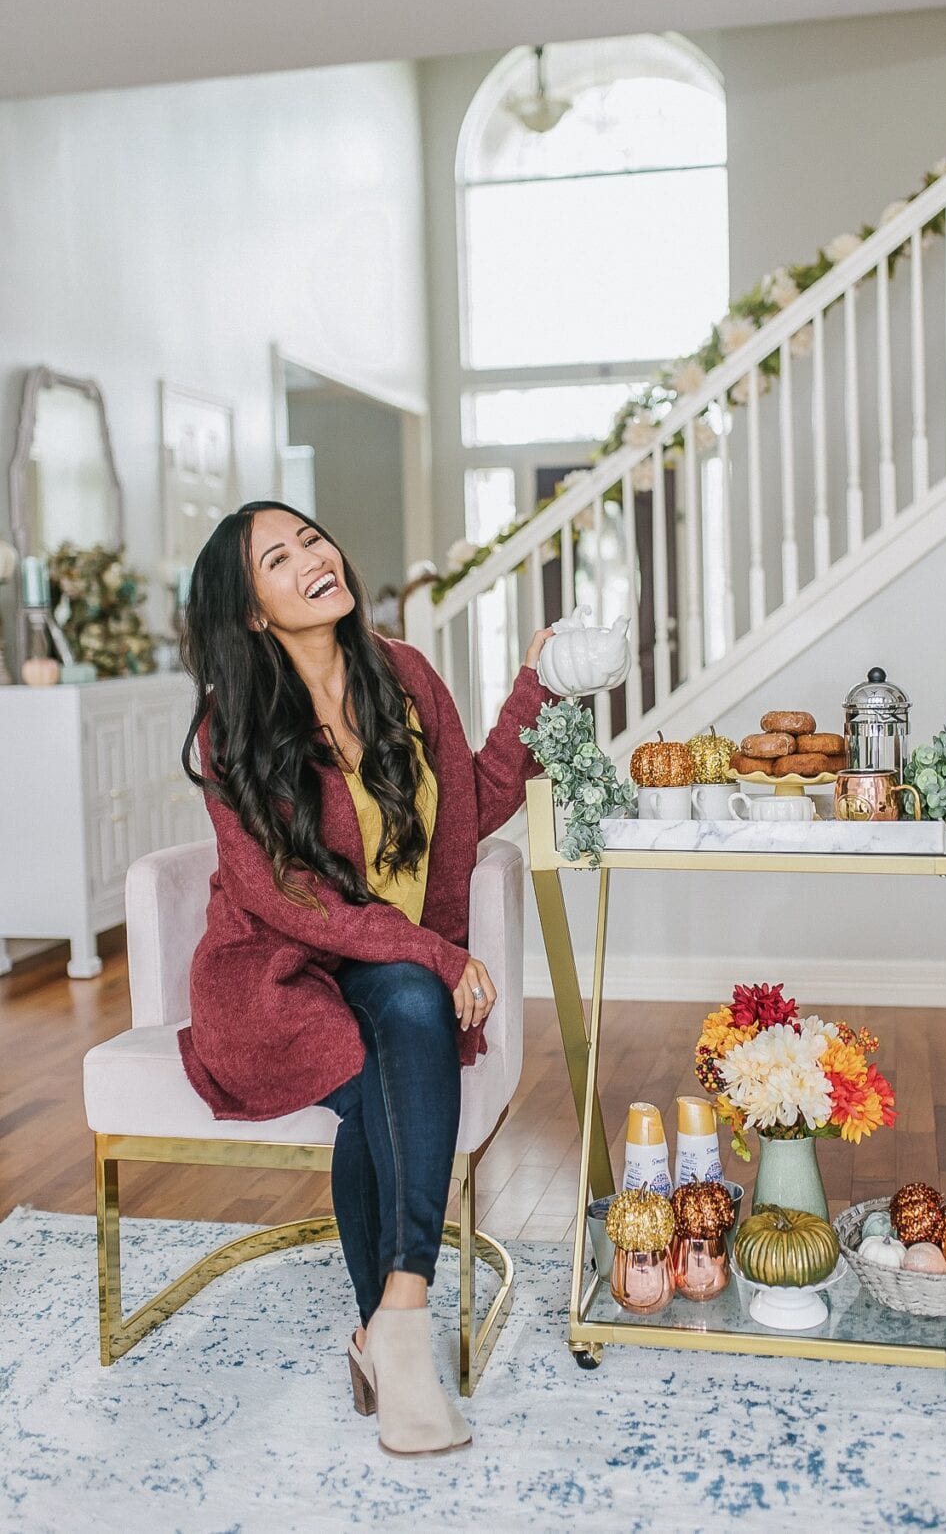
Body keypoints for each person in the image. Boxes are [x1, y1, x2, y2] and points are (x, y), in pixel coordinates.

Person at [179, 500, 555, 1457]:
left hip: (387, 971)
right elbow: (284, 897)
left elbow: (473, 803)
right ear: (254, 610)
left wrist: (538, 688)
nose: (314, 554)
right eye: (280, 555)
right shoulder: (239, 726)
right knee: (405, 1034)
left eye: (312, 536)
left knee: (405, 1017)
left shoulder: (403, 673)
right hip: (278, 975)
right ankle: (397, 1339)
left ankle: (394, 1320)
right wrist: (436, 948)